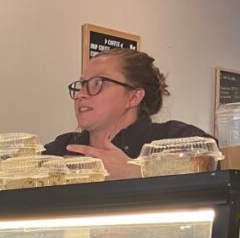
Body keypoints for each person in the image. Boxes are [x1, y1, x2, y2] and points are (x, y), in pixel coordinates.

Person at [43, 48, 212, 180]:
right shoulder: (61, 148)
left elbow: (218, 176)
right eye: (82, 84)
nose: (80, 94)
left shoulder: (174, 138)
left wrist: (135, 173)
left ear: (134, 97)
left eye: (98, 83)